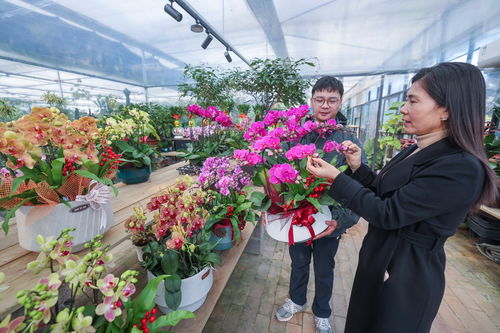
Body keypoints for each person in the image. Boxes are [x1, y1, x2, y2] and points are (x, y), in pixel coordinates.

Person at [306, 62, 498, 333]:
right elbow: (385, 194)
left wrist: (336, 179)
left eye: (413, 100)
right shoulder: (417, 149)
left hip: (405, 275)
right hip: (380, 260)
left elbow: (389, 213)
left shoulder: (460, 166)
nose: (404, 109)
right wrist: (358, 168)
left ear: (446, 109)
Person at [271, 76, 367, 333]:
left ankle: (322, 311)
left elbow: (360, 186)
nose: (325, 106)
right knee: (298, 261)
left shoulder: (349, 141)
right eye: (320, 99)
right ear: (311, 100)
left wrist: (340, 222)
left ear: (340, 102)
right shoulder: (295, 135)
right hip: (299, 215)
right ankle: (296, 300)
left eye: (332, 100)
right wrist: (278, 207)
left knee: (325, 266)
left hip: (330, 218)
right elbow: (278, 174)